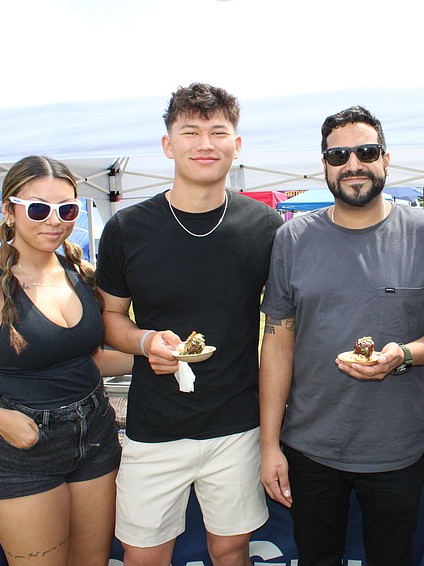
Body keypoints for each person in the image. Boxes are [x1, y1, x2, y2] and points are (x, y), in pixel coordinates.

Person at [259, 105, 424, 565]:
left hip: (397, 445)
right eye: (339, 155)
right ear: (325, 167)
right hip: (310, 445)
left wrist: (405, 355)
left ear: (386, 160)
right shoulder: (292, 239)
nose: (353, 164)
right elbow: (276, 341)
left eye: (366, 151)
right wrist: (269, 445)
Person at [95, 82, 283, 566]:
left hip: (237, 425)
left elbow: (284, 326)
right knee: (143, 556)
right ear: (168, 144)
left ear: (236, 145)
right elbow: (110, 319)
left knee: (231, 549)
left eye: (218, 132)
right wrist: (144, 340)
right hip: (154, 426)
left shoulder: (266, 229)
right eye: (191, 132)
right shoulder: (127, 228)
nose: (205, 144)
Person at [0, 155, 132, 566]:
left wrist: (150, 356)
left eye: (66, 209)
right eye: (38, 208)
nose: (54, 220)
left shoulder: (80, 272)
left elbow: (87, 361)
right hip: (24, 448)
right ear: (9, 211)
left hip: (97, 435)